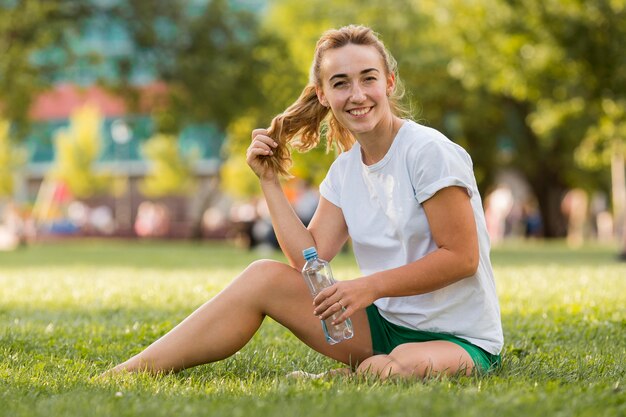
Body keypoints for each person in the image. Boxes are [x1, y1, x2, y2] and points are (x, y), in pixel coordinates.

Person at [106, 25, 503, 380]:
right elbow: (309, 260)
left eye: (369, 79)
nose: (358, 94)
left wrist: (369, 288)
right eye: (341, 83)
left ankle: (346, 377)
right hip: (382, 327)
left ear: (390, 83)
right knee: (263, 275)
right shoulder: (346, 171)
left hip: (460, 338)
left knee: (385, 369)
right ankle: (130, 371)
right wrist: (269, 183)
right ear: (323, 94)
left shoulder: (428, 151)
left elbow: (461, 257)